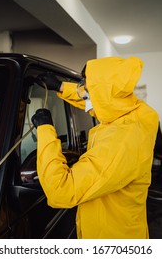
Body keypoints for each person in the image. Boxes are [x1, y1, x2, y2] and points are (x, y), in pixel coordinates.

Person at [31, 56, 159, 239]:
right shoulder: (136, 112)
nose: (84, 94)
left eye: (88, 90)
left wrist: (45, 130)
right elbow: (101, 102)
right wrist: (62, 87)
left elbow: (62, 191)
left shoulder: (120, 142)